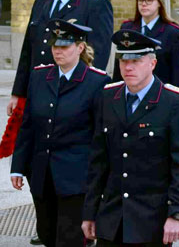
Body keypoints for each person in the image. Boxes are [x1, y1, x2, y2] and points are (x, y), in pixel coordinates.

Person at [82, 30, 179, 246]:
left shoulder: (174, 102)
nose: (128, 67)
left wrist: (177, 213)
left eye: (136, 60)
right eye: (123, 60)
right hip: (112, 216)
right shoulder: (108, 97)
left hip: (151, 219)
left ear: (152, 63)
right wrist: (89, 212)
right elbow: (98, 161)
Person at [10, 20, 109, 247]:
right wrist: (18, 165)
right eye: (55, 46)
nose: (58, 51)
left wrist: (99, 178)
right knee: (46, 234)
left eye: (64, 46)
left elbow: (99, 136)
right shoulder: (39, 77)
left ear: (80, 48)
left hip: (76, 177)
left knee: (70, 239)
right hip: (42, 174)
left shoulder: (97, 81)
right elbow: (28, 127)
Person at [9, 0, 113, 118]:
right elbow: (29, 48)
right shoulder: (42, 0)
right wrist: (18, 92)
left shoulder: (95, 3)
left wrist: (84, 93)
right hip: (39, 89)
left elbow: (98, 54)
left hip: (72, 91)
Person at [113, 0, 179, 88]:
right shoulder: (127, 28)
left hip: (160, 95)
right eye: (141, 0)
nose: (144, 4)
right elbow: (118, 68)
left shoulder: (172, 32)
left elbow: (178, 73)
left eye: (149, 0)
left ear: (159, 3)